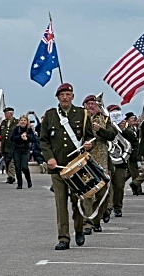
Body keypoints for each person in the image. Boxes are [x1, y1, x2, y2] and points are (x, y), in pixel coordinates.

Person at [40, 82, 94, 250]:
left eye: (68, 95)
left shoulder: (82, 114)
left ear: (72, 96)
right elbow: (44, 140)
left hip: (77, 167)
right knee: (60, 203)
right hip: (57, 167)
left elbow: (91, 137)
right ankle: (63, 237)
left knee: (77, 201)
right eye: (62, 95)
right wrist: (49, 158)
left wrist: (88, 145)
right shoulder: (50, 116)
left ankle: (78, 228)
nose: (65, 97)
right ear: (57, 97)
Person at [82, 95, 117, 234]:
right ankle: (88, 223)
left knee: (103, 192)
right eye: (88, 104)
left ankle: (98, 219)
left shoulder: (105, 118)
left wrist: (100, 130)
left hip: (101, 159)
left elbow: (112, 134)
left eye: (93, 104)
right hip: (85, 159)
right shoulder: (80, 117)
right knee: (88, 192)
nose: (91, 106)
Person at [0, 107, 18, 183]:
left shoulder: (16, 122)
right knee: (7, 161)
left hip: (13, 145)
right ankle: (9, 175)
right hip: (5, 145)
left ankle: (11, 176)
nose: (5, 115)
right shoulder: (4, 122)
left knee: (11, 161)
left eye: (6, 113)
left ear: (11, 113)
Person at [10, 115, 38, 188]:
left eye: (24, 120)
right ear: (19, 121)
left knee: (24, 167)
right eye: (21, 120)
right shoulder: (16, 129)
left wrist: (27, 138)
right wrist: (20, 137)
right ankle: (19, 183)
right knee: (17, 167)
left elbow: (34, 139)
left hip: (25, 150)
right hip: (17, 149)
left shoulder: (29, 129)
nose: (23, 122)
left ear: (27, 122)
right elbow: (12, 138)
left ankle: (29, 180)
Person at [123, 112, 143, 195]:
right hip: (130, 152)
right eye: (131, 119)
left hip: (135, 151)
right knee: (135, 172)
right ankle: (137, 189)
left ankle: (119, 182)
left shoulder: (133, 128)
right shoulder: (126, 130)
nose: (133, 120)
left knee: (131, 172)